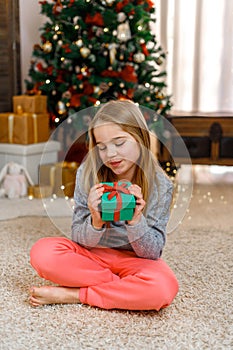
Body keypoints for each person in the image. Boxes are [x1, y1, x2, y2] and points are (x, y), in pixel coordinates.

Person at [29, 99, 179, 310]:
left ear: (141, 139)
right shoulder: (88, 173)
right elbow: (80, 239)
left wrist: (136, 220)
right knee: (42, 252)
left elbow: (152, 252)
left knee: (163, 287)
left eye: (119, 143)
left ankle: (76, 294)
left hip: (135, 260)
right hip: (92, 255)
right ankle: (125, 290)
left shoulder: (160, 184)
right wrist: (95, 220)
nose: (111, 154)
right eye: (102, 147)